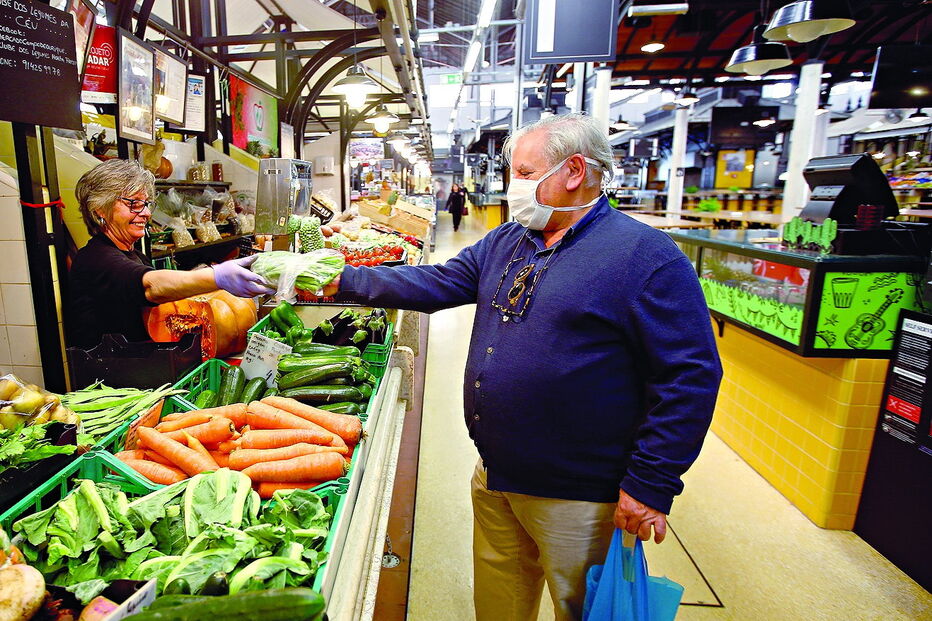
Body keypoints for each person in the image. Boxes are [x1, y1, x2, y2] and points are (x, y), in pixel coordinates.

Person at [322, 113, 721, 621]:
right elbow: (438, 283)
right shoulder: (510, 240)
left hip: (579, 495)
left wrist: (651, 482)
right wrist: (340, 278)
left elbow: (690, 377)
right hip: (496, 476)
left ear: (575, 171)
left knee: (579, 607)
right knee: (499, 604)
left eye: (526, 173)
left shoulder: (645, 258)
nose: (515, 187)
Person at [67, 159, 274, 350]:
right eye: (134, 203)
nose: (146, 213)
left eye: (147, 204)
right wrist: (216, 276)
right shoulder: (96, 260)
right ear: (99, 210)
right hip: (108, 379)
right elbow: (150, 287)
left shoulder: (133, 253)